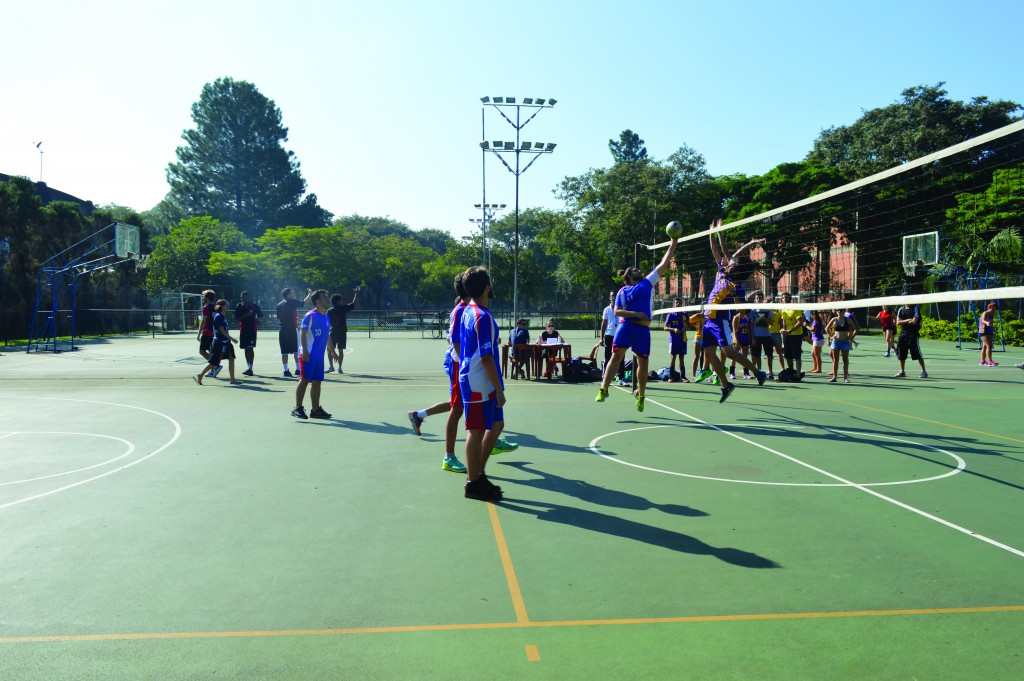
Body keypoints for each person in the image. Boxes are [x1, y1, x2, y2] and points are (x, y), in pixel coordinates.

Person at [408, 276, 517, 473]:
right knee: (457, 408)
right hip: (462, 366)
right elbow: (453, 340)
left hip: (466, 366)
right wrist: (465, 361)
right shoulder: (463, 311)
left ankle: (489, 438)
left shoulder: (471, 309)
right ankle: (450, 457)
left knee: (465, 409)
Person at [595, 236, 678, 412]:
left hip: (642, 329)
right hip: (625, 326)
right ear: (629, 276)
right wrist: (636, 314)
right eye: (634, 269)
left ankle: (640, 395)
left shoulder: (647, 283)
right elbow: (617, 311)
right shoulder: (623, 291)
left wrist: (674, 242)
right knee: (616, 356)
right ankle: (604, 389)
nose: (638, 269)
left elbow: (664, 263)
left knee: (643, 362)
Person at [698, 223, 768, 403]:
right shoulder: (722, 273)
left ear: (736, 270)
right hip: (708, 321)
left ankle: (758, 372)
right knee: (709, 353)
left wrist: (734, 295)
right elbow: (717, 250)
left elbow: (742, 310)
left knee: (729, 353)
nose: (728, 261)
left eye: (732, 263)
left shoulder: (737, 287)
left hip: (720, 321)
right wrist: (713, 232)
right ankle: (725, 385)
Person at [459, 266, 506, 502]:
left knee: (497, 425)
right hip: (479, 381)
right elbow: (486, 357)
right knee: (476, 430)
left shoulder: (470, 309)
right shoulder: (481, 316)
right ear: (487, 287)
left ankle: (479, 472)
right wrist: (498, 389)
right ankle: (473, 483)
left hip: (480, 378)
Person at [291, 290, 339, 420]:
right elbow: (303, 332)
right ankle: (297, 407)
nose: (327, 299)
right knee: (305, 379)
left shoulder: (326, 317)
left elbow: (327, 335)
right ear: (318, 301)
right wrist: (305, 351)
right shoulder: (310, 315)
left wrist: (332, 351)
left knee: (317, 382)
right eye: (325, 297)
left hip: (319, 356)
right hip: (308, 354)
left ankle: (315, 410)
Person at [193, 299, 242, 386]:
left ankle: (232, 379)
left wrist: (229, 340)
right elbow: (222, 330)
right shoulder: (218, 316)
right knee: (215, 363)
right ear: (222, 306)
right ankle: (200, 375)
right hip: (219, 343)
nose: (227, 306)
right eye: (226, 305)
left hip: (226, 342)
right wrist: (232, 339)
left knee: (231, 358)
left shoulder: (222, 316)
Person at [277, 287, 314, 378]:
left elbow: (279, 317)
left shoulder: (279, 304)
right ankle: (298, 369)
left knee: (284, 352)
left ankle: (286, 370)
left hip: (282, 330)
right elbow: (303, 303)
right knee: (296, 350)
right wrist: (310, 294)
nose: (293, 295)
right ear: (288, 294)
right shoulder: (292, 302)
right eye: (292, 293)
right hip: (292, 329)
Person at [327, 286, 359, 374]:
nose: (342, 301)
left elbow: (327, 322)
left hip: (333, 332)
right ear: (337, 301)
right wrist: (356, 293)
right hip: (342, 332)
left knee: (329, 349)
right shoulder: (343, 308)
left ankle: (331, 366)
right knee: (340, 350)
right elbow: (354, 303)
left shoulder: (329, 311)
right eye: (340, 300)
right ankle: (340, 368)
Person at [894, 298, 928, 378]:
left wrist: (906, 321)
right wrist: (908, 320)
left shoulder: (915, 308)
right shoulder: (901, 309)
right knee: (901, 353)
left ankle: (923, 371)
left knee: (917, 353)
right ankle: (902, 371)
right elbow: (898, 322)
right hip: (903, 334)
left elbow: (915, 321)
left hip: (913, 334)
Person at [749, 292, 776, 379]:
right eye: (757, 298)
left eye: (760, 298)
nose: (759, 299)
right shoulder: (753, 309)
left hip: (766, 335)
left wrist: (764, 318)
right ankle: (759, 371)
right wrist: (752, 337)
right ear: (755, 299)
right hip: (756, 336)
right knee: (757, 355)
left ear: (763, 299)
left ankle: (770, 372)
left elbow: (771, 322)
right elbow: (751, 324)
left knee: (769, 354)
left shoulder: (767, 309)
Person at [234, 291, 263, 376]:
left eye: (245, 297)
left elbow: (261, 316)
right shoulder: (239, 306)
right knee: (246, 349)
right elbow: (237, 318)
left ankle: (251, 368)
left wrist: (257, 319)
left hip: (252, 330)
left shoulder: (254, 306)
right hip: (243, 330)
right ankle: (248, 367)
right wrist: (247, 314)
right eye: (242, 297)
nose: (244, 298)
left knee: (251, 348)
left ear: (249, 297)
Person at [779, 293, 807, 377]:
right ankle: (791, 371)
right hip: (787, 335)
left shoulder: (795, 308)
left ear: (790, 298)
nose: (785, 299)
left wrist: (790, 330)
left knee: (797, 355)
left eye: (787, 297)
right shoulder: (783, 310)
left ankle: (798, 375)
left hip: (796, 335)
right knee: (788, 355)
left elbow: (800, 322)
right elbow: (784, 322)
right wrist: (783, 329)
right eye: (783, 297)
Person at [664, 297, 689, 382]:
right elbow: (665, 327)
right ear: (674, 304)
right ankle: (671, 376)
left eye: (679, 303)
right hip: (673, 340)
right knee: (673, 357)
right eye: (676, 303)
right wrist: (673, 329)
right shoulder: (670, 315)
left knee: (681, 358)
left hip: (683, 339)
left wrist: (685, 328)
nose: (677, 304)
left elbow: (688, 325)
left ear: (682, 304)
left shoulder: (685, 314)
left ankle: (683, 376)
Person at [825, 309, 854, 383]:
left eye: (840, 311)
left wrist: (851, 337)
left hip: (845, 341)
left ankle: (845, 378)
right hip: (836, 341)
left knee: (845, 359)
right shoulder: (834, 319)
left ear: (843, 312)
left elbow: (855, 329)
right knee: (835, 360)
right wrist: (831, 336)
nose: (839, 312)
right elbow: (826, 328)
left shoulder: (848, 320)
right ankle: (834, 377)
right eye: (837, 311)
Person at [196, 289, 219, 377]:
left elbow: (204, 321)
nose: (203, 298)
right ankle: (213, 371)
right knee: (210, 351)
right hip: (214, 332)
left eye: (204, 296)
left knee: (202, 351)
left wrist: (199, 333)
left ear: (207, 298)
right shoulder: (216, 307)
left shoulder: (206, 308)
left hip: (207, 332)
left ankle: (215, 365)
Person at [730, 308, 752, 379]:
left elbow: (748, 329)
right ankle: (732, 373)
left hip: (745, 339)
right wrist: (736, 340)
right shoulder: (736, 317)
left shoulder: (746, 317)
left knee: (744, 356)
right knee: (734, 356)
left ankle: (746, 373)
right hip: (738, 339)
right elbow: (734, 330)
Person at [979, 302, 997, 366]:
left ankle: (982, 361)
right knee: (989, 346)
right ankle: (990, 361)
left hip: (989, 332)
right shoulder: (985, 313)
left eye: (995, 308)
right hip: (983, 331)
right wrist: (986, 323)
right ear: (990, 307)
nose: (994, 310)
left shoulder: (992, 314)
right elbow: (983, 320)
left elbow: (991, 322)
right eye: (993, 308)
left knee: (984, 346)